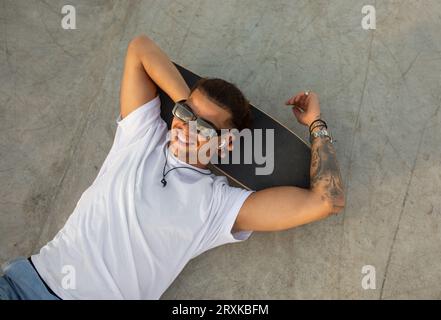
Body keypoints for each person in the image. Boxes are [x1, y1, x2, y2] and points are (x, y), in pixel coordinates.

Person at [0, 35, 345, 300]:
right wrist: (185, 106)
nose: (186, 128)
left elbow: (325, 202)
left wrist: (316, 124)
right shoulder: (143, 134)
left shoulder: (217, 206)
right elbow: (139, 48)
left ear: (226, 143)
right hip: (23, 282)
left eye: (204, 127)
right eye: (184, 114)